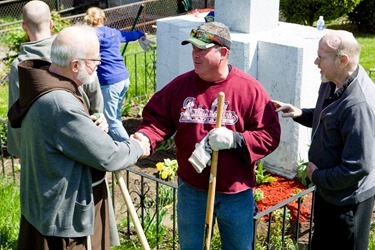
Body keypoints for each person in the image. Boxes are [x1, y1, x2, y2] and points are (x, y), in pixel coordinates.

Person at [134, 21, 281, 249]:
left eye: (202, 49)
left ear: (223, 52)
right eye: (193, 48)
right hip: (191, 189)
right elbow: (157, 120)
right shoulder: (179, 87)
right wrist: (145, 137)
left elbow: (269, 135)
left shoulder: (249, 90)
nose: (195, 55)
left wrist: (236, 140)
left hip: (235, 193)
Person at [7, 24, 150, 250]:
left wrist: (90, 125)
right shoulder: (59, 103)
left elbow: (63, 137)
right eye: (95, 61)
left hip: (44, 206)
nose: (98, 66)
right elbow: (110, 156)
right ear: (75, 65)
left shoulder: (45, 83)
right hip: (62, 220)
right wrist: (137, 146)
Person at [273, 30, 375, 250]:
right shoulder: (332, 82)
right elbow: (330, 122)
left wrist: (317, 175)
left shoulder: (358, 105)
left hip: (348, 202)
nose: (316, 62)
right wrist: (301, 113)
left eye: (321, 57)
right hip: (329, 192)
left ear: (342, 60)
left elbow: (358, 167)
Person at [7, 0, 105, 158]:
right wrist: (99, 117)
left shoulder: (19, 66)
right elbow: (94, 92)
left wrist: (21, 150)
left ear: (24, 26)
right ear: (51, 24)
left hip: (41, 147)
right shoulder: (73, 48)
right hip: (80, 135)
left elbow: (17, 111)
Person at [84, 7, 146, 142]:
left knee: (111, 120)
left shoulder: (91, 36)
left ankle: (129, 149)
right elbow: (129, 36)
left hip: (109, 81)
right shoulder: (113, 32)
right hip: (123, 78)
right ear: (102, 19)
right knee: (116, 117)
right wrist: (140, 33)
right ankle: (115, 144)